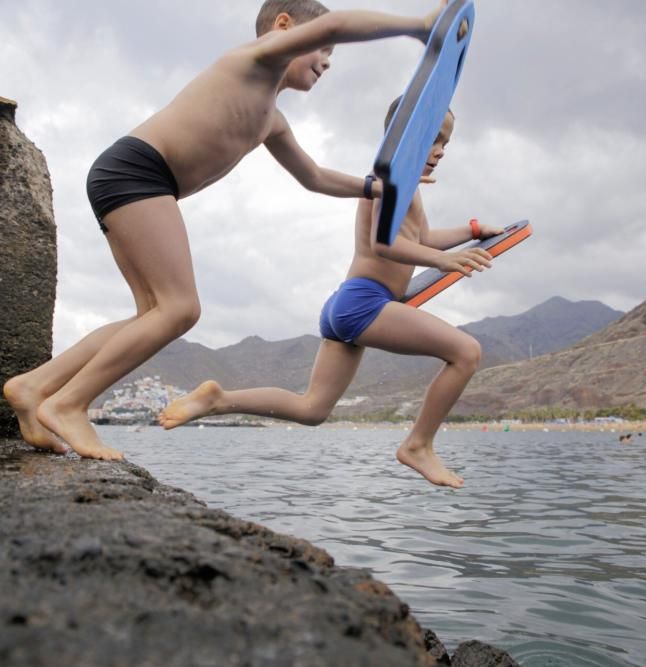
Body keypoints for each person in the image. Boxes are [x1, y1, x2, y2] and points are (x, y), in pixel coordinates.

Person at [3, 0, 452, 460]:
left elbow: (315, 177)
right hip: (139, 172)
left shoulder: (272, 119)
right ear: (283, 27)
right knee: (181, 309)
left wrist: (376, 187)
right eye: (323, 49)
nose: (326, 62)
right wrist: (417, 27)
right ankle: (70, 403)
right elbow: (336, 22)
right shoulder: (253, 61)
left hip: (134, 178)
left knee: (152, 314)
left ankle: (34, 388)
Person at [159, 99, 502, 488]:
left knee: (312, 408)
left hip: (349, 303)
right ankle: (418, 445)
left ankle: (217, 399)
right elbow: (384, 244)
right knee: (466, 352)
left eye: (446, 144)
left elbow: (421, 239)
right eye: (434, 139)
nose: (440, 151)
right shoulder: (389, 177)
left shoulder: (401, 182)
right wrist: (444, 262)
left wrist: (473, 230)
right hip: (365, 302)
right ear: (404, 132)